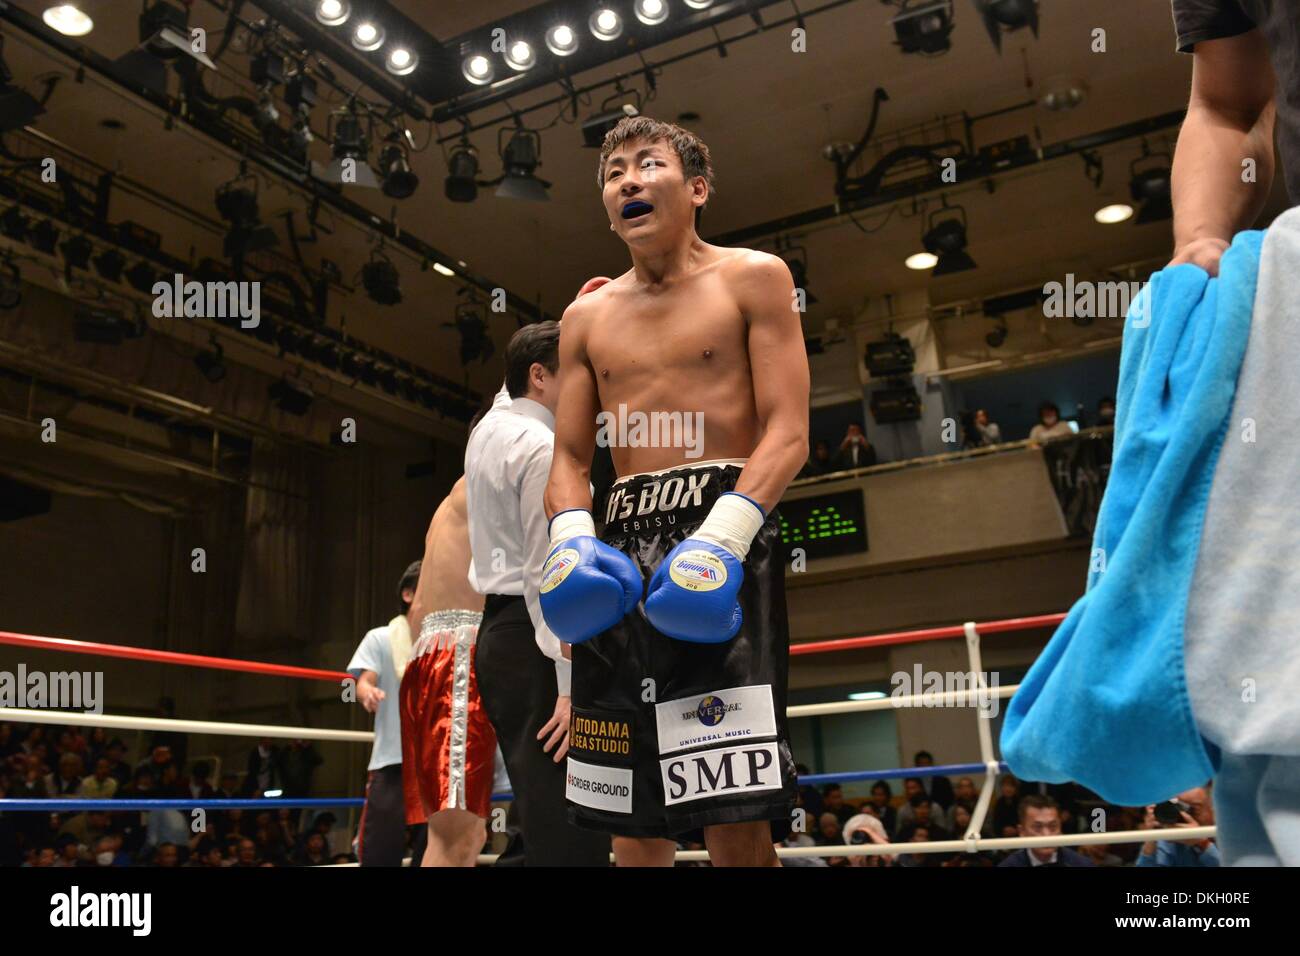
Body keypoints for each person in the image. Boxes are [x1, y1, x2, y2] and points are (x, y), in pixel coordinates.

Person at [542, 115, 810, 866]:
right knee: (629, 819)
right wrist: (570, 540)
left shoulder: (754, 277)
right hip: (618, 553)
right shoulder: (584, 318)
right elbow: (567, 457)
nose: (627, 179)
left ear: (696, 188)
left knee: (731, 813)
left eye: (646, 163)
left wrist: (724, 537)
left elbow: (788, 432)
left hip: (722, 530)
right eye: (613, 171)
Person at [466, 322, 611, 867]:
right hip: (538, 642)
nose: (586, 389)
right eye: (573, 373)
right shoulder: (539, 446)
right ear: (539, 376)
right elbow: (546, 574)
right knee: (570, 819)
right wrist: (570, 685)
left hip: (501, 637)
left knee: (539, 813)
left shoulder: (489, 427)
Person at [399, 477, 497, 867]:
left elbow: (416, 612)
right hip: (457, 661)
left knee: (466, 832)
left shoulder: (445, 505)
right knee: (456, 836)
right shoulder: (481, 486)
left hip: (435, 655)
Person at [346, 561, 425, 866]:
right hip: (392, 762)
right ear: (408, 594)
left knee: (436, 849)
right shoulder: (380, 637)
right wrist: (368, 693)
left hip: (437, 766)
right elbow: (363, 682)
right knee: (380, 853)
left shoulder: (443, 641)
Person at [997, 795, 1094, 867]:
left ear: (1060, 828)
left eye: (1053, 826)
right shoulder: (1008, 865)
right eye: (1037, 827)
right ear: (1022, 831)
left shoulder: (1082, 864)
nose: (1046, 834)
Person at [1136, 786, 1220, 866]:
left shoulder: (1227, 835)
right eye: (1180, 807)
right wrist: (1151, 841)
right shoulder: (1170, 840)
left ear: (1214, 810)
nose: (1185, 815)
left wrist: (1202, 844)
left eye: (1193, 809)